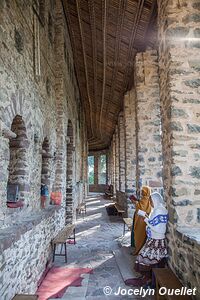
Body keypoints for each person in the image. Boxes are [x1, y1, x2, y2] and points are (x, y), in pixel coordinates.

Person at [134, 192, 168, 285]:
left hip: (156, 240)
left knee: (147, 259)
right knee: (147, 258)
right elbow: (155, 223)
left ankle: (152, 281)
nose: (151, 203)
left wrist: (146, 219)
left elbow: (159, 229)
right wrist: (147, 217)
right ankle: (149, 279)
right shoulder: (159, 209)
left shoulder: (159, 211)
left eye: (151, 201)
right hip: (154, 239)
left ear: (156, 200)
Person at [130, 186, 152, 255]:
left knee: (139, 235)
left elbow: (142, 210)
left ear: (146, 192)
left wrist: (135, 203)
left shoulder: (145, 199)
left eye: (143, 191)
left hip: (141, 221)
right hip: (139, 219)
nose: (141, 192)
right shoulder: (144, 199)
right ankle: (138, 248)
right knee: (137, 233)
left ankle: (138, 250)